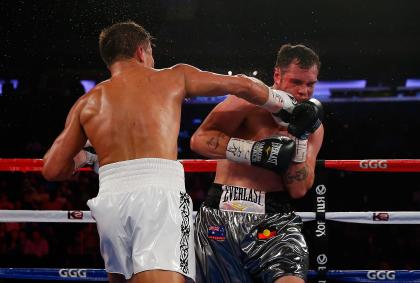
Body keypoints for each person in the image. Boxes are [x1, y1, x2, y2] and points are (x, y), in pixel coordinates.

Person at [42, 21, 304, 283]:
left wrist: (89, 157)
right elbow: (242, 85)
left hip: (109, 201)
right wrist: (287, 105)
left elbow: (52, 169)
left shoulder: (87, 103)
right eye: (151, 54)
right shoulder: (171, 77)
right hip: (157, 198)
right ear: (141, 52)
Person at [190, 44, 324, 283]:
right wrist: (254, 152)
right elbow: (199, 140)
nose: (304, 91)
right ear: (277, 76)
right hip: (221, 213)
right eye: (296, 82)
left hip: (274, 220)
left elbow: (299, 189)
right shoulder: (247, 102)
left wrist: (299, 140)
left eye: (310, 84)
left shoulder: (313, 127)